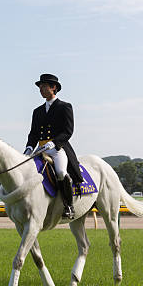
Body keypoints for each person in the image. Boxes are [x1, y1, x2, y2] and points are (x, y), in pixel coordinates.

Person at [25, 74, 83, 219]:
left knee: (61, 172)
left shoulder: (65, 107)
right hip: (41, 148)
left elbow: (68, 131)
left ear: (54, 88)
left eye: (44, 86)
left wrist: (55, 142)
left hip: (58, 149)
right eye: (40, 87)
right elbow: (33, 133)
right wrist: (29, 148)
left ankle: (69, 206)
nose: (41, 89)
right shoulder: (37, 111)